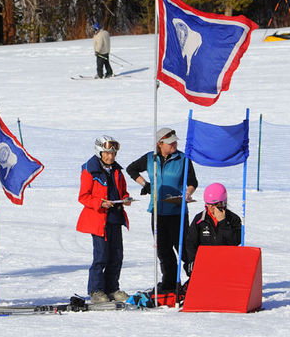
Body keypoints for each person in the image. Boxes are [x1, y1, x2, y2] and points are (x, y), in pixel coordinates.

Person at [126, 127, 198, 292]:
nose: (174, 144)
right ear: (160, 144)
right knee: (164, 250)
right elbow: (131, 169)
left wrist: (187, 194)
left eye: (175, 141)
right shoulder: (150, 158)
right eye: (170, 142)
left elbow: (193, 182)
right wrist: (146, 185)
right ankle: (169, 283)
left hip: (177, 212)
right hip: (157, 212)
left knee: (184, 249)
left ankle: (195, 279)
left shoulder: (183, 159)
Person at [76, 135, 132, 303]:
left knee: (117, 255)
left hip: (115, 217)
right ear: (99, 152)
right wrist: (100, 203)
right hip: (99, 219)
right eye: (107, 153)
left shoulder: (117, 171)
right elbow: (83, 197)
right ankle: (96, 290)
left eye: (113, 154)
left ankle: (112, 288)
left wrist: (126, 198)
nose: (111, 157)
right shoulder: (89, 170)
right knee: (101, 256)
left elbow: (122, 191)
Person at [185, 183, 242, 276]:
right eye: (208, 204)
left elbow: (235, 241)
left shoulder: (233, 219)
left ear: (223, 203)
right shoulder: (200, 219)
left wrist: (223, 223)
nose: (210, 207)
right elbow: (191, 242)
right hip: (205, 264)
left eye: (214, 204)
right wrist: (193, 260)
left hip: (226, 264)